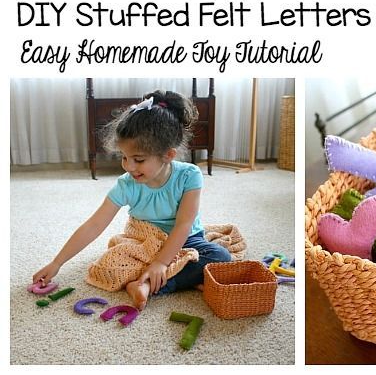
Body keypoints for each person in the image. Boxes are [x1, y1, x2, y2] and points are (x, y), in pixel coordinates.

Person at [31, 89, 231, 309]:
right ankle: (180, 275)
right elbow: (94, 225)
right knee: (108, 265)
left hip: (185, 239)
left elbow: (184, 224)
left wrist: (161, 263)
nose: (129, 166)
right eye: (124, 157)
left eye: (138, 159)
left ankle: (148, 284)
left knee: (219, 255)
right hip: (143, 240)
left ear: (168, 155)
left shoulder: (189, 176)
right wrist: (57, 262)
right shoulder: (126, 184)